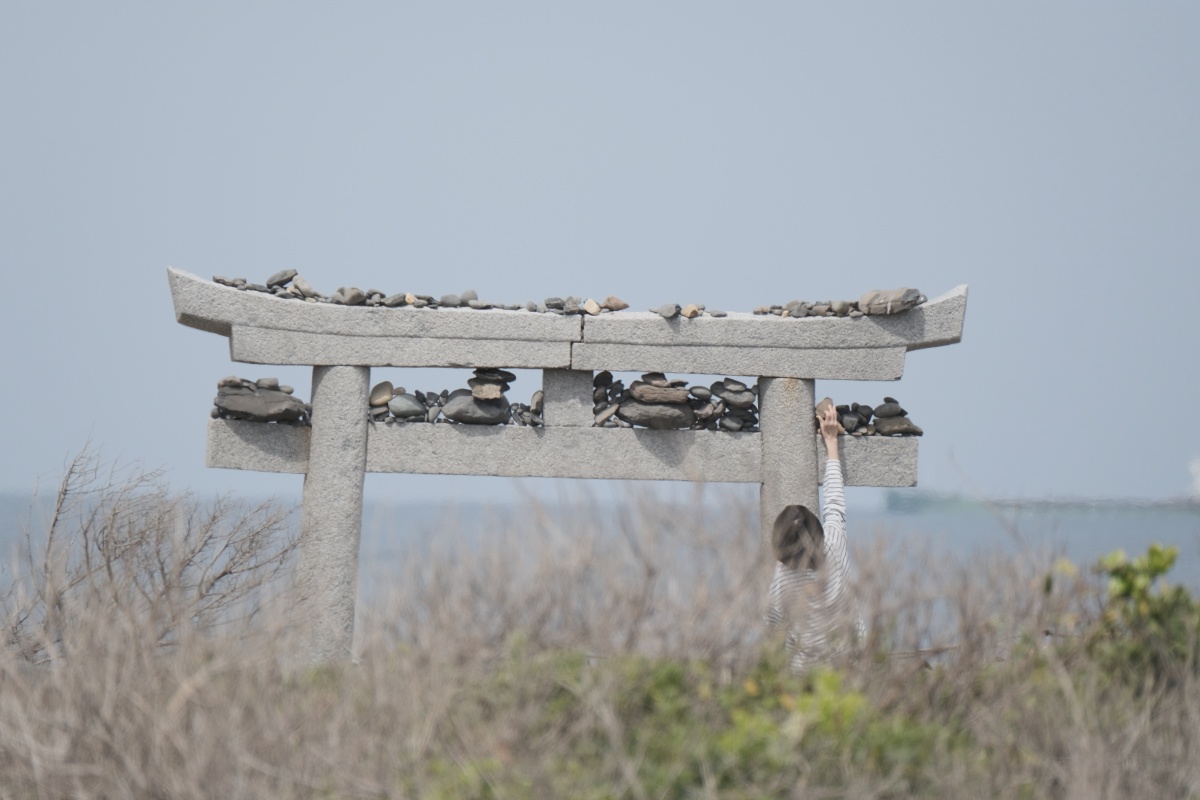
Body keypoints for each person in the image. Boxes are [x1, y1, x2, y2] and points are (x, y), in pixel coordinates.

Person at [765, 403, 855, 671]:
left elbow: (771, 623)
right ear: (818, 533)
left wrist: (779, 567)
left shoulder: (783, 579)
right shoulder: (834, 546)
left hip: (803, 674)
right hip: (848, 666)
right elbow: (834, 504)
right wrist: (831, 444)